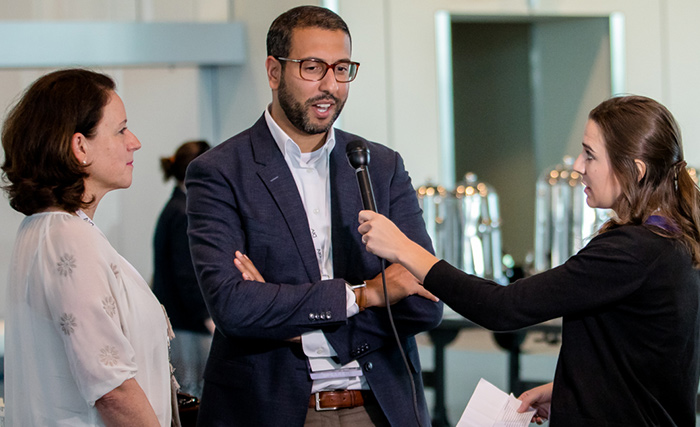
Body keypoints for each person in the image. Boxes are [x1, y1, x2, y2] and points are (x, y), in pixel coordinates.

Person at [357, 95, 700, 426]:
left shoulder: (633, 250)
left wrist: (405, 250)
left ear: (635, 170)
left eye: (590, 155)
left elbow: (502, 307)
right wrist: (568, 390)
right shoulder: (674, 240)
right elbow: (647, 363)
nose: (578, 166)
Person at [185, 5, 443, 426]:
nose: (330, 86)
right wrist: (367, 295)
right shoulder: (221, 172)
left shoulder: (379, 166)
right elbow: (234, 307)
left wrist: (292, 322)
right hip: (273, 411)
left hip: (380, 409)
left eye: (341, 69)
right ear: (274, 72)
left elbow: (424, 302)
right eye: (312, 68)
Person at [1, 69, 172, 426]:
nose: (134, 142)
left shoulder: (48, 228)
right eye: (121, 129)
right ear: (80, 147)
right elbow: (112, 388)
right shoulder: (67, 237)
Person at [153, 139, 213, 399]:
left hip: (183, 322)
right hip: (188, 325)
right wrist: (208, 316)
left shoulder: (175, 207)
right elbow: (187, 274)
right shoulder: (182, 212)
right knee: (192, 397)